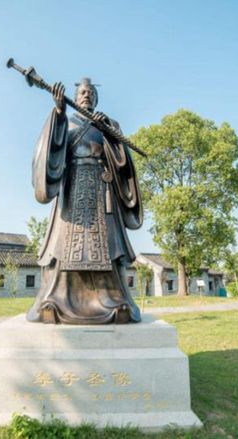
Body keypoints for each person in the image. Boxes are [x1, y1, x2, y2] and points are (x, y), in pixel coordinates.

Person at [26, 78, 143, 324]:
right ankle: (57, 299)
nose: (86, 95)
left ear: (96, 99)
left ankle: (114, 298)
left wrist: (107, 133)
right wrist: (59, 113)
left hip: (102, 188)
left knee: (108, 246)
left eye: (90, 93)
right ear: (76, 96)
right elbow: (51, 151)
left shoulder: (109, 123)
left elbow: (123, 161)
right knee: (64, 246)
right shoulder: (65, 120)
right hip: (72, 187)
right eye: (82, 92)